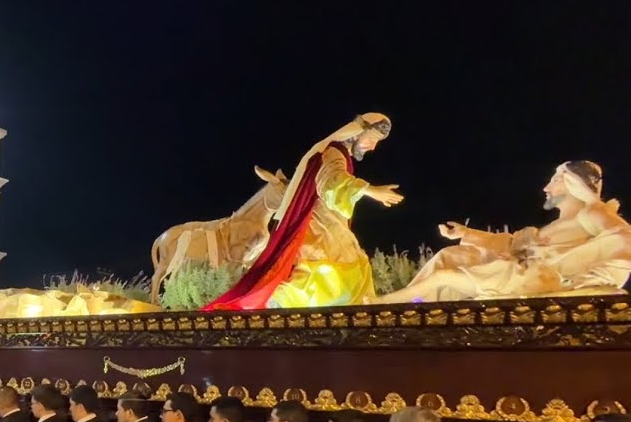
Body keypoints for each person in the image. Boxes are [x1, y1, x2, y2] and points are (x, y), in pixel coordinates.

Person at [205, 113, 403, 310]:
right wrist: (371, 190)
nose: (373, 147)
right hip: (321, 225)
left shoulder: (338, 154)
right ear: (357, 132)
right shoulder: (334, 152)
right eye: (372, 139)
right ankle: (279, 304)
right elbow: (332, 181)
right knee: (334, 270)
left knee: (344, 270)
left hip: (330, 223)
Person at [376, 160, 631, 304]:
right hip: (516, 264)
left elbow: (622, 238)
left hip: (531, 275)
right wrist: (466, 233)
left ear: (572, 184)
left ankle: (399, 306)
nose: (546, 187)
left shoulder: (592, 214)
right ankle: (415, 307)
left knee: (447, 274)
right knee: (450, 255)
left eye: (554, 180)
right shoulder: (556, 225)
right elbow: (512, 243)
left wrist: (592, 201)